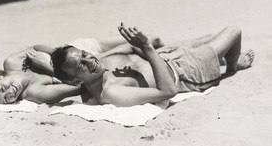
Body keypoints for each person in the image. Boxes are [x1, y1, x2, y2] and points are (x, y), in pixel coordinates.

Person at [51, 23, 255, 107]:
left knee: (211, 36)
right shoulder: (111, 93)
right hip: (185, 71)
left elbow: (129, 48)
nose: (90, 60)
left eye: (86, 55)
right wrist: (147, 49)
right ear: (76, 79)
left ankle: (222, 57)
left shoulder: (98, 63)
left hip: (165, 54)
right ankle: (232, 68)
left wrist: (140, 43)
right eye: (81, 65)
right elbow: (169, 91)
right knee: (233, 32)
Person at [0, 35, 164, 106]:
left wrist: (54, 55)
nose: (10, 94)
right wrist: (50, 69)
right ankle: (149, 51)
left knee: (91, 45)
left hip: (68, 54)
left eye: (2, 89)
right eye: (5, 100)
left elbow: (39, 47)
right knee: (116, 57)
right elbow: (80, 85)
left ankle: (145, 47)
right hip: (76, 69)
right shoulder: (37, 93)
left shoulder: (11, 62)